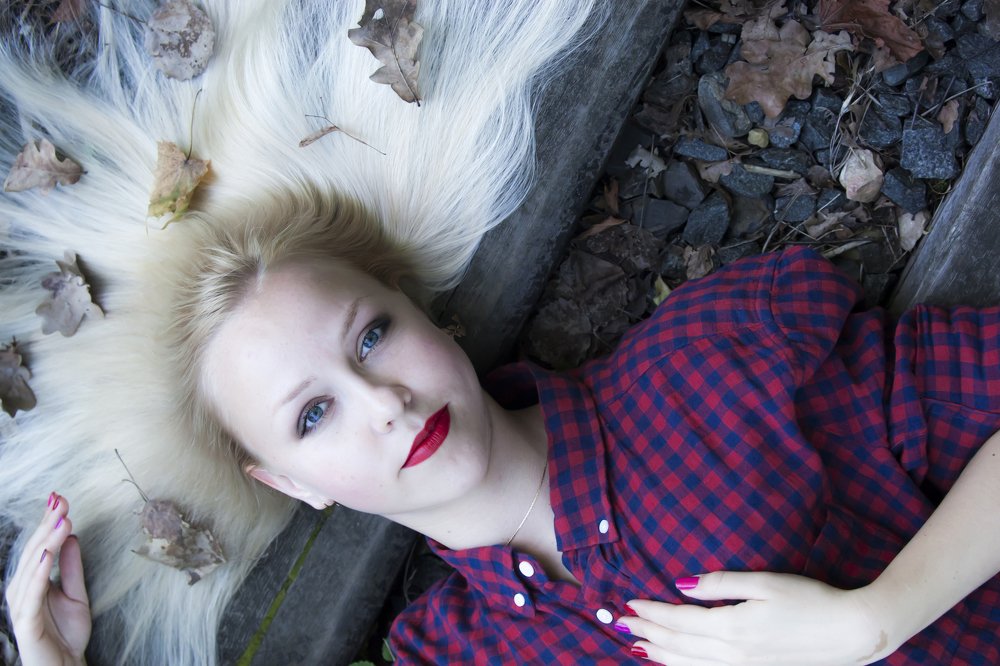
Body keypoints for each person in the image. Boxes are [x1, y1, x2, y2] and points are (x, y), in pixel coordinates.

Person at [6, 208, 1000, 663]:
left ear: (423, 314)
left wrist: (875, 620)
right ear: (292, 481)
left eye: (372, 336)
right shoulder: (453, 654)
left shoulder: (712, 367)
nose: (383, 402)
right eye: (314, 415)